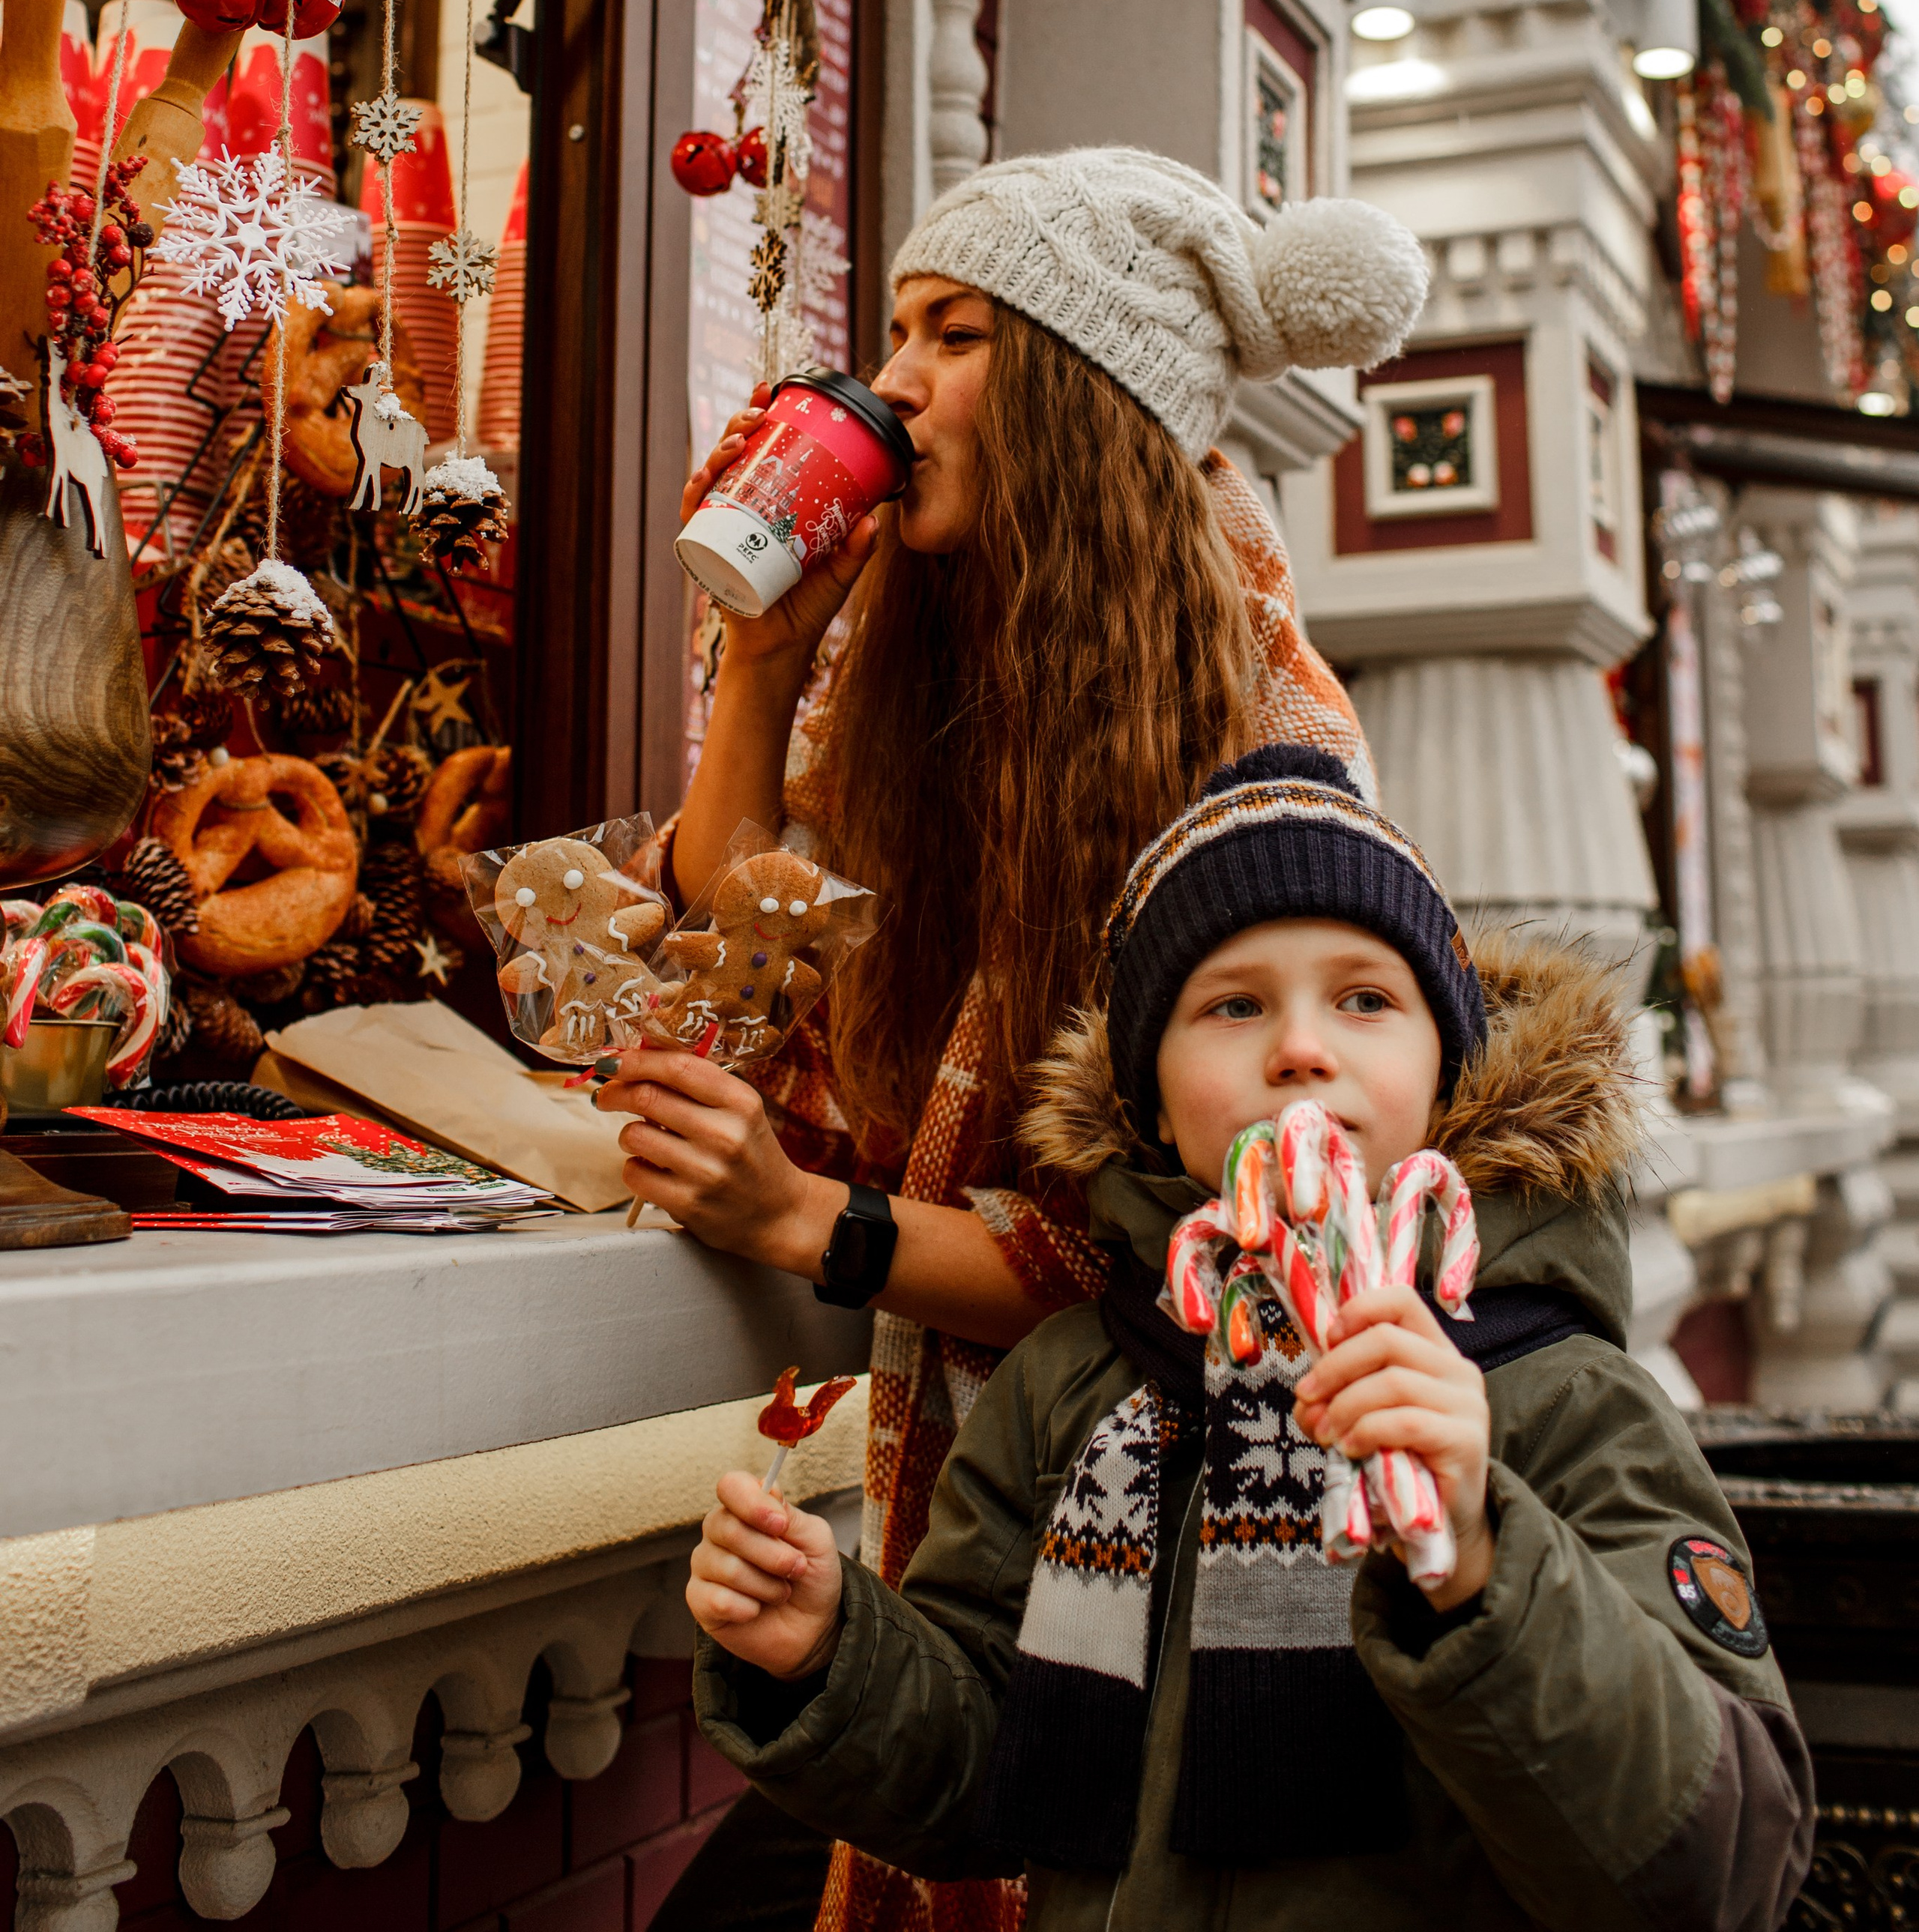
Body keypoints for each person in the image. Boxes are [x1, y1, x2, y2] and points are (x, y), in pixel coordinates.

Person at [604, 147, 1428, 1932]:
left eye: (955, 334)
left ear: (1081, 399)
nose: (891, 381)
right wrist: (754, 674)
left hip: (1182, 1563)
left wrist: (813, 1229)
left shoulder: (1260, 760)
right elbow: (742, 982)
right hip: (965, 1523)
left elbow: (1218, 1260)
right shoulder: (966, 707)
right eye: (894, 326)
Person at [684, 744, 1816, 1931]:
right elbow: (987, 1773)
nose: (1302, 1048)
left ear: (1447, 1067)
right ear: (1151, 1103)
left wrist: (1486, 1560)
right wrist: (829, 1654)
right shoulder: (1073, 1388)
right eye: (1233, 1005)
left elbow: (1722, 1871)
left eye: (1367, 999)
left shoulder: (1557, 1399)